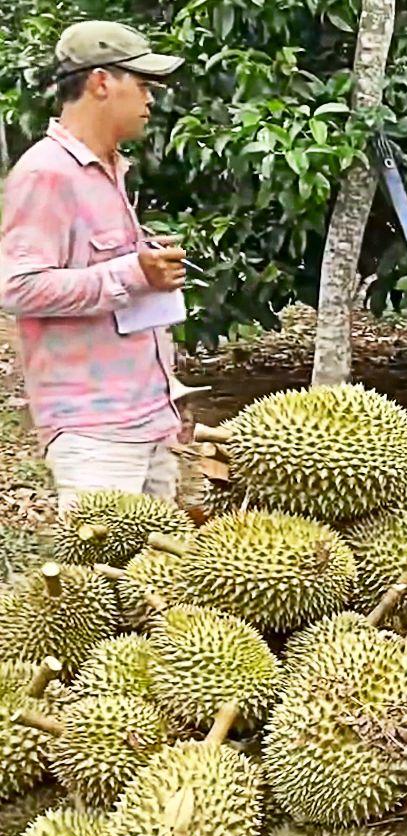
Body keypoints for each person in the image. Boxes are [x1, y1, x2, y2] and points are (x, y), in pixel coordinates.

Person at [0, 21, 187, 511]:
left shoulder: (109, 169)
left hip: (148, 415)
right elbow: (18, 288)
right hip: (97, 430)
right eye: (143, 85)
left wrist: (141, 263)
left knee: (156, 581)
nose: (151, 102)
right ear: (102, 82)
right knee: (102, 584)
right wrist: (132, 274)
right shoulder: (47, 174)